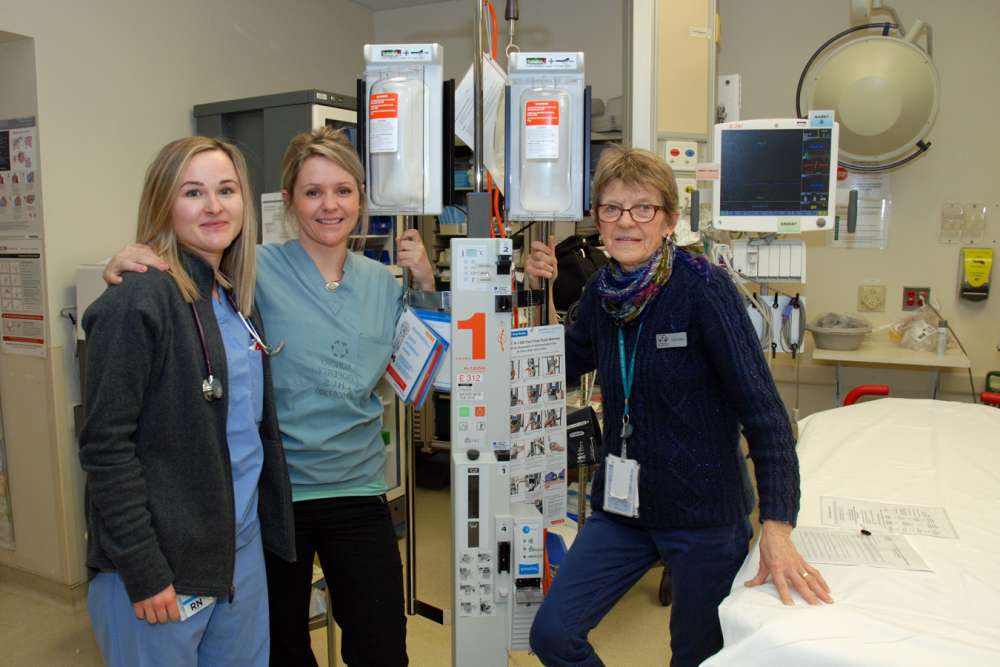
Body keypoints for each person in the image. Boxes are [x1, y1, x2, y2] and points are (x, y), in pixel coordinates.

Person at [104, 126, 435, 666]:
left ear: (361, 198)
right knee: (280, 648)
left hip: (358, 490)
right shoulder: (250, 270)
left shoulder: (385, 282)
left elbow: (428, 372)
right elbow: (182, 270)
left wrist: (425, 283)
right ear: (288, 202)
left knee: (381, 646)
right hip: (274, 499)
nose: (330, 205)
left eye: (343, 191)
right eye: (312, 192)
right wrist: (126, 261)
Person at [524, 146, 832, 667]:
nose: (626, 222)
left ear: (668, 220)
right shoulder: (603, 290)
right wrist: (537, 293)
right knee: (552, 634)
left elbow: (764, 413)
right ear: (597, 218)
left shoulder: (703, 289)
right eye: (612, 208)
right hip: (623, 509)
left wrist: (778, 527)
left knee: (696, 658)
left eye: (642, 208)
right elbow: (564, 362)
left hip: (703, 516)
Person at [79, 136, 295, 666]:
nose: (215, 206)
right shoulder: (137, 301)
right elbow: (106, 448)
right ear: (162, 203)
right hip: (160, 565)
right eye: (193, 192)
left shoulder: (233, 298)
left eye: (226, 189)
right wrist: (143, 568)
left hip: (235, 553)